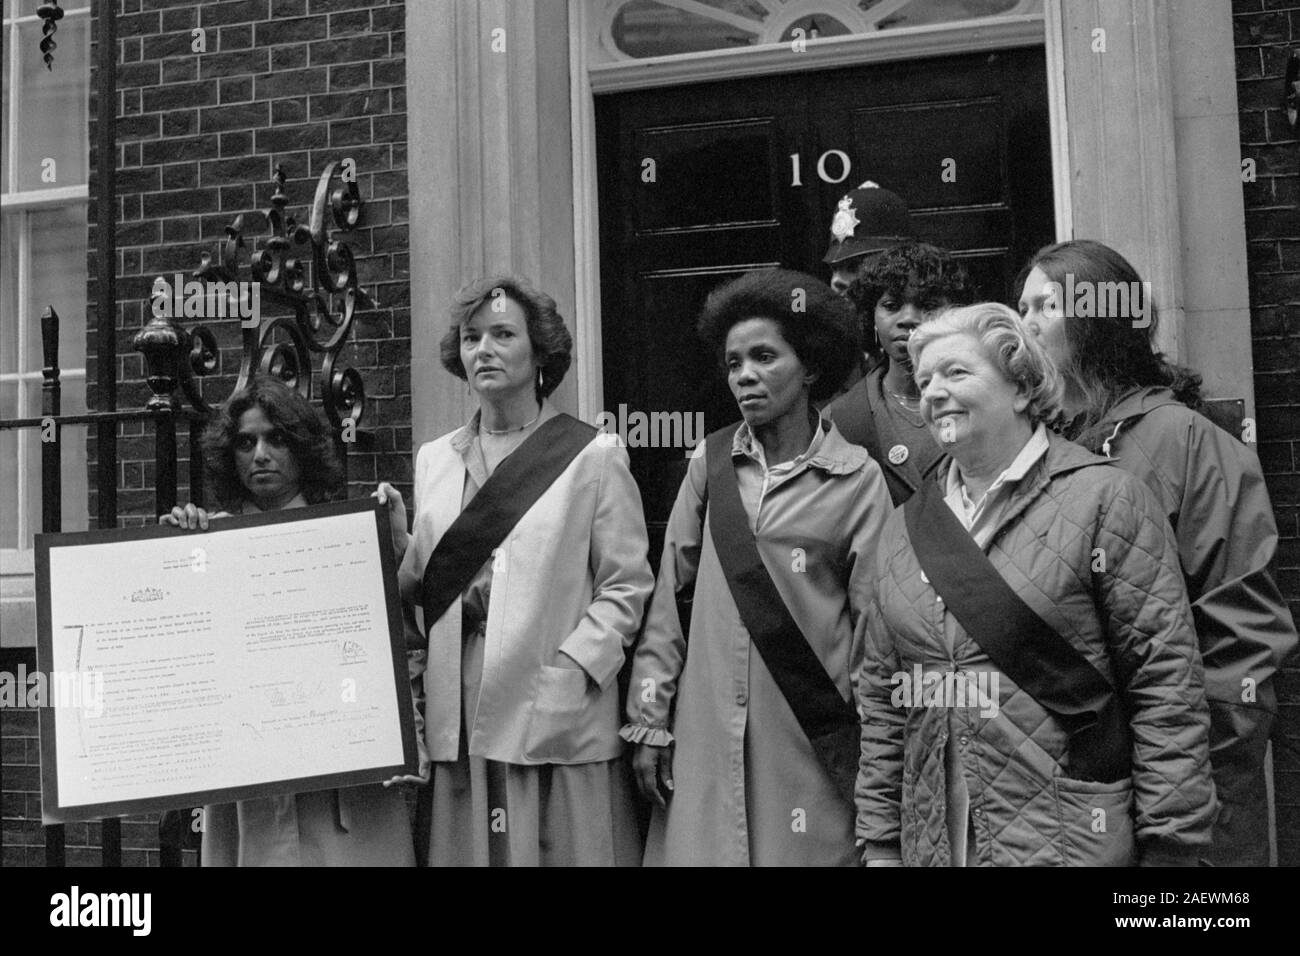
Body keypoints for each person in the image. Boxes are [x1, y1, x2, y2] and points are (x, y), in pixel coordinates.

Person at [855, 303, 1217, 866]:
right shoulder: (905, 527)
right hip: (934, 843)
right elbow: (882, 700)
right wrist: (879, 844)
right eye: (924, 381)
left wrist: (1171, 847)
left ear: (1022, 389)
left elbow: (1165, 682)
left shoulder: (1105, 500)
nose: (933, 392)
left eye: (956, 373)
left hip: (1069, 838)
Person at [1017, 239, 1299, 866]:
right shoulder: (1035, 448)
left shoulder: (1188, 442)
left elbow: (1243, 639)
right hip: (1069, 790)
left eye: (1046, 305)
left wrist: (1199, 792)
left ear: (1097, 321)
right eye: (1022, 306)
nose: (1026, 322)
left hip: (1184, 792)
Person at [624, 268, 892, 866]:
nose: (745, 375)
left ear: (812, 367)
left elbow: (875, 630)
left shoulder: (857, 479)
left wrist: (875, 758)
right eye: (733, 362)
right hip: (705, 737)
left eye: (765, 357)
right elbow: (668, 598)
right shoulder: (710, 463)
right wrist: (649, 718)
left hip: (807, 742)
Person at [393, 273, 653, 867]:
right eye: (470, 336)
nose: (482, 348)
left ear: (540, 351)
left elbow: (626, 585)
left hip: (552, 712)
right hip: (459, 717)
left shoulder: (595, 455)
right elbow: (419, 589)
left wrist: (574, 666)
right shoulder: (434, 460)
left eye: (503, 334)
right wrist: (396, 549)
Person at [160, 376, 416, 866]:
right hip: (252, 790)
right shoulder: (208, 545)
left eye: (276, 438)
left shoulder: (349, 538)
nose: (260, 454)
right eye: (245, 441)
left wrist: (395, 555)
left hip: (345, 787)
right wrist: (175, 559)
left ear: (301, 447)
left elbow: (404, 649)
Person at [824, 241, 974, 504]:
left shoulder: (985, 401)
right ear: (871, 316)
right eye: (892, 305)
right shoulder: (838, 418)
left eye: (927, 305)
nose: (908, 318)